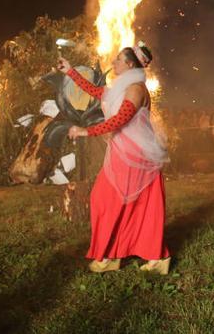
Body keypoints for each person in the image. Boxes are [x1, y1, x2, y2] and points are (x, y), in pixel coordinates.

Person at [60, 41, 170, 275]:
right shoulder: (121, 88)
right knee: (127, 202)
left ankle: (117, 255)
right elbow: (93, 91)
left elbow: (121, 119)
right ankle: (136, 255)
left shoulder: (136, 90)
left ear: (129, 64)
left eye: (118, 59)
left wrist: (85, 131)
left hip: (134, 155)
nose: (113, 62)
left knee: (106, 200)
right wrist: (70, 71)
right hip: (123, 152)